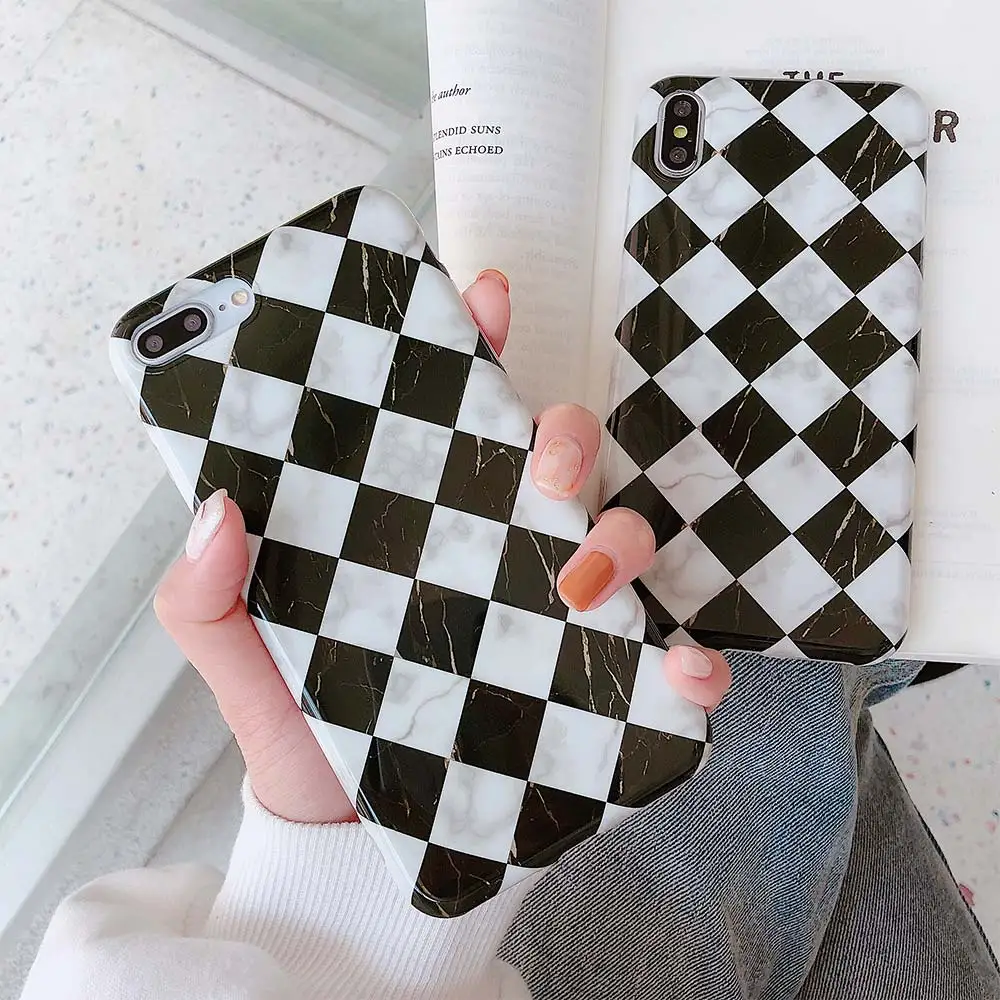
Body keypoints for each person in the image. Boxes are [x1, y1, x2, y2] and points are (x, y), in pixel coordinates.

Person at [20, 272, 999, 1000]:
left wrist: (352, 855)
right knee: (740, 658)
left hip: (433, 949)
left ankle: (900, 648)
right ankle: (907, 642)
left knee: (734, 675)